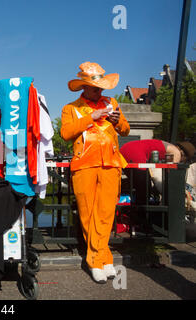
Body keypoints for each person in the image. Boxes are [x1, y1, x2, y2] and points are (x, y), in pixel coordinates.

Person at [61, 62, 130, 284]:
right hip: (84, 165)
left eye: (101, 87)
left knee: (106, 213)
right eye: (94, 88)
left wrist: (117, 120)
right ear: (84, 87)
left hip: (111, 164)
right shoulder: (70, 108)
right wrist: (91, 117)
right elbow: (66, 133)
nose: (99, 91)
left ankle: (101, 258)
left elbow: (126, 130)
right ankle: (98, 261)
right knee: (88, 214)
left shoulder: (113, 103)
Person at [120, 140, 196, 204]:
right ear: (184, 156)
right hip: (134, 153)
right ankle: (140, 215)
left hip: (125, 150)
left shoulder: (169, 147)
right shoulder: (176, 153)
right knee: (145, 189)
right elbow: (171, 173)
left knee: (138, 184)